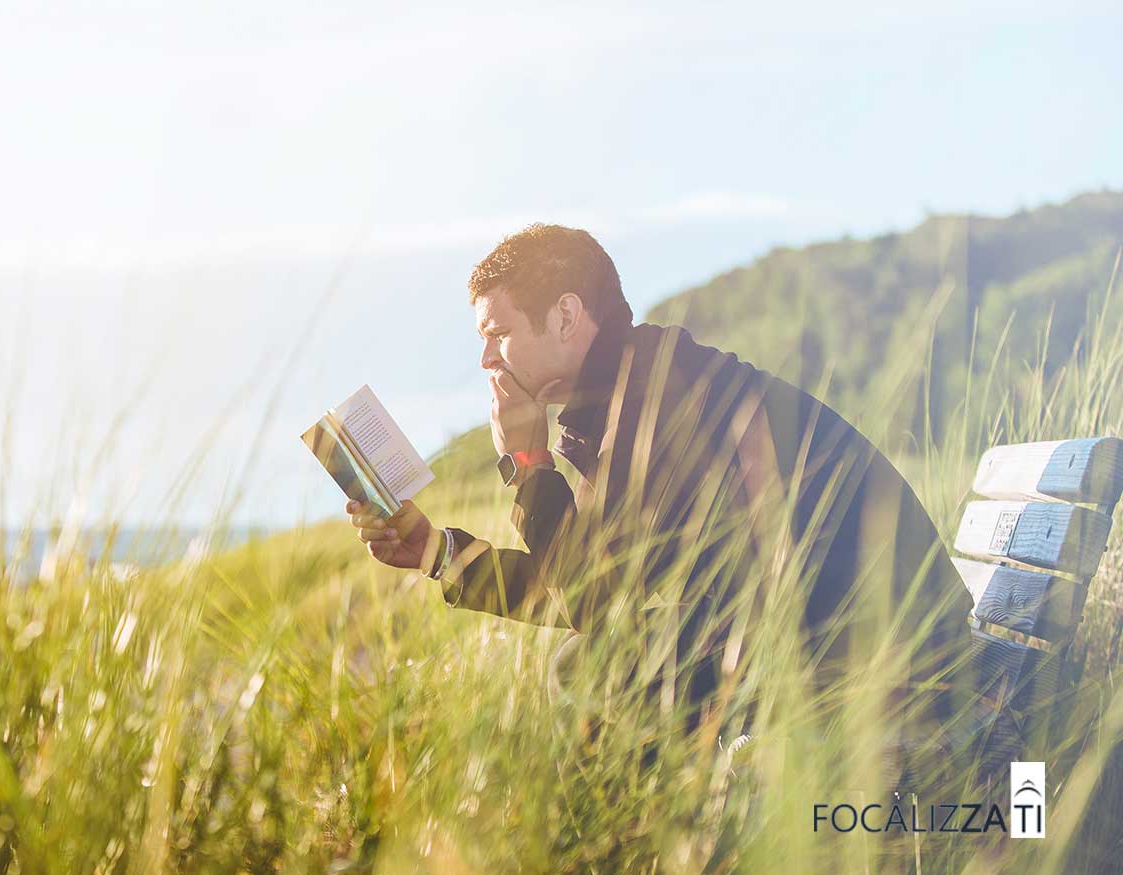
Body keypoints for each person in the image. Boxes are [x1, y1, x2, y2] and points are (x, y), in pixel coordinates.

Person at [344, 224, 977, 787]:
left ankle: (657, 868)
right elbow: (591, 582)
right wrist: (434, 551)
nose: (486, 359)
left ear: (566, 315)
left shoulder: (658, 399)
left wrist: (531, 464)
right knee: (602, 663)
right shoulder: (625, 393)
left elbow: (588, 601)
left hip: (893, 661)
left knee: (593, 669)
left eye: (498, 333)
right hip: (835, 637)